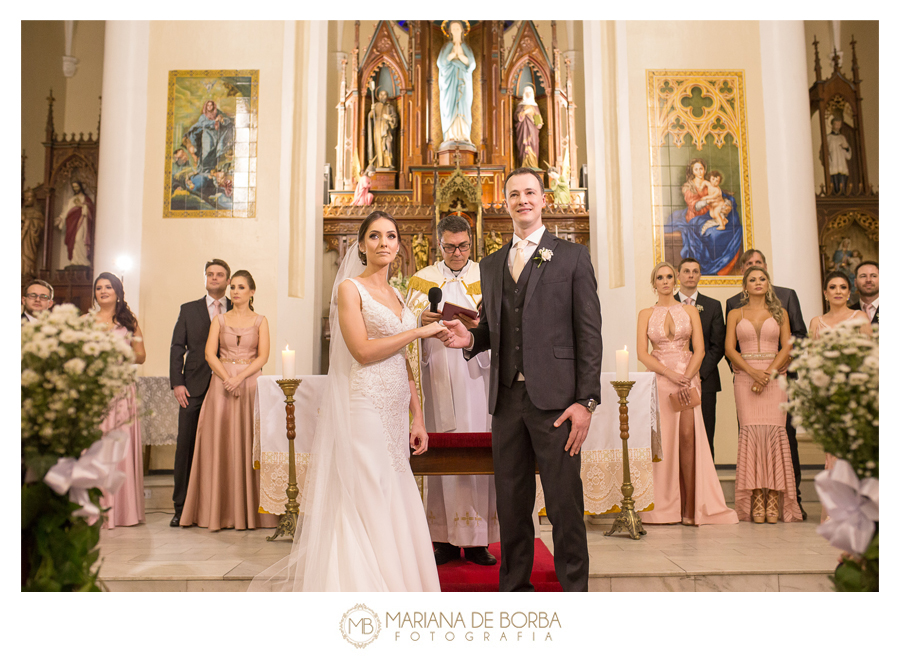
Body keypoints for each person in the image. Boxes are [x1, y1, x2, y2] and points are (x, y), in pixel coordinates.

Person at [250, 211, 444, 591]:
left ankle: (402, 584)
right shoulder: (350, 289)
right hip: (365, 402)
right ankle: (367, 588)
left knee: (394, 488)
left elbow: (405, 362)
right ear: (361, 244)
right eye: (375, 236)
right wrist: (418, 330)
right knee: (369, 490)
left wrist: (417, 417)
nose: (384, 243)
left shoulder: (398, 293)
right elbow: (362, 351)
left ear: (399, 244)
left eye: (391, 236)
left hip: (393, 408)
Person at [439, 168, 603, 592]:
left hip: (557, 402)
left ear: (543, 199)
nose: (522, 200)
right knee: (511, 505)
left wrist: (586, 401)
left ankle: (575, 592)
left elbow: (589, 334)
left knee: (564, 503)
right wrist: (469, 338)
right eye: (514, 194)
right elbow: (494, 327)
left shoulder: (572, 257)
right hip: (508, 401)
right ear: (505, 202)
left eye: (530, 192)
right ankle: (514, 591)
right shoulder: (492, 265)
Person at [405, 215, 499, 567]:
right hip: (438, 374)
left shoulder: (487, 274)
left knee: (477, 449)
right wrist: (421, 321)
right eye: (449, 247)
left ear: (471, 243)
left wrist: (480, 325)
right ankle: (441, 538)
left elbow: (503, 323)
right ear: (438, 244)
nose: (457, 253)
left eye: (463, 246)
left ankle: (477, 542)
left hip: (479, 374)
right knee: (443, 451)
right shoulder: (423, 279)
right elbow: (405, 323)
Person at [637, 262, 737, 526]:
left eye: (670, 276)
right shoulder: (645, 313)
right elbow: (642, 354)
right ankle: (663, 506)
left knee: (687, 439)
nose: (666, 280)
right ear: (654, 283)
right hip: (660, 381)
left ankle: (691, 509)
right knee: (663, 442)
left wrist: (688, 377)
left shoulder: (690, 311)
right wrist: (670, 375)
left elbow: (700, 350)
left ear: (675, 280)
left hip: (688, 379)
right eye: (660, 277)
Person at [180, 270, 276, 531]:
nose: (235, 291)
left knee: (249, 443)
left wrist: (240, 377)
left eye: (241, 287)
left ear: (252, 292)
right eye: (232, 287)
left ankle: (253, 512)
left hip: (250, 384)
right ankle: (218, 512)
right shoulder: (220, 320)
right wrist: (227, 378)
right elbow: (210, 354)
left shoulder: (261, 321)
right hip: (221, 386)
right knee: (219, 445)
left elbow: (263, 356)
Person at [725, 248, 808, 518]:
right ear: (745, 286)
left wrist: (769, 374)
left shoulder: (781, 311)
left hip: (775, 381)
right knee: (751, 438)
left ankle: (774, 500)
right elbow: (729, 349)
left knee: (775, 437)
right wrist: (752, 372)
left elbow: (787, 347)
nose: (758, 282)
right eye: (753, 279)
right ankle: (755, 500)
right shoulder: (735, 313)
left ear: (768, 283)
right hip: (745, 380)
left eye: (762, 278)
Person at [169, 259, 232, 527]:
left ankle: (224, 505)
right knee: (186, 445)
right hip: (193, 386)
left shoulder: (239, 306)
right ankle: (181, 507)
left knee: (226, 444)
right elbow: (176, 347)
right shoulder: (189, 309)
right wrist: (177, 383)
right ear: (205, 278)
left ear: (228, 280)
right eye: (210, 274)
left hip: (228, 385)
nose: (214, 278)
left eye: (220, 275)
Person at [90, 272, 147, 529]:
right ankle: (95, 510)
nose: (103, 291)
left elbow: (141, 355)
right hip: (95, 389)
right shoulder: (85, 321)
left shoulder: (129, 322)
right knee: (97, 447)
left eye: (108, 287)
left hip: (122, 390)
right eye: (99, 288)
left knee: (120, 448)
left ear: (117, 292)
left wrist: (118, 355)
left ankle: (123, 511)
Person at [675, 258, 725, 460]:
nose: (690, 275)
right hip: (674, 380)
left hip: (705, 380)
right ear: (678, 275)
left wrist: (698, 373)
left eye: (695, 271)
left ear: (700, 275)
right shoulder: (666, 305)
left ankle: (706, 488)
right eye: (686, 271)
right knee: (678, 435)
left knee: (705, 434)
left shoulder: (713, 306)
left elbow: (717, 345)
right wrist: (678, 376)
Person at [664, 158, 743, 276]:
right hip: (696, 217)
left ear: (704, 170)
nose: (699, 172)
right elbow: (695, 206)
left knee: (734, 227)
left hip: (712, 213)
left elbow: (721, 195)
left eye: (701, 169)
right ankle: (712, 266)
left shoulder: (709, 183)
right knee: (713, 234)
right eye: (696, 169)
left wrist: (727, 203)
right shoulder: (688, 187)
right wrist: (710, 200)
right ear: (692, 171)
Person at [437, 20, 476, 144]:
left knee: (463, 105)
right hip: (449, 81)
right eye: (453, 29)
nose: (455, 31)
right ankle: (450, 135)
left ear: (462, 31)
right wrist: (452, 55)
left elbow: (472, 64)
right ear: (449, 32)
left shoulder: (466, 47)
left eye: (457, 29)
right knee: (450, 105)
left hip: (464, 80)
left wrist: (458, 57)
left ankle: (464, 134)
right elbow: (441, 63)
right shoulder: (447, 47)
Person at [54, 180, 95, 268]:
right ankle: (75, 260)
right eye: (74, 187)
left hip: (82, 223)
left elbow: (91, 210)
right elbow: (66, 211)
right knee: (74, 241)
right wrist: (60, 218)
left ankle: (83, 260)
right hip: (72, 223)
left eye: (77, 186)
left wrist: (82, 206)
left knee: (79, 239)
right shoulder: (71, 200)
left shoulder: (86, 199)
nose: (75, 189)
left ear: (81, 187)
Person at [515, 85, 543, 169]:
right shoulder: (520, 106)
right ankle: (523, 165)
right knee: (523, 148)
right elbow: (516, 117)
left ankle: (533, 165)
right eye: (526, 93)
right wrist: (522, 114)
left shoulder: (535, 106)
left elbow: (538, 120)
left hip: (533, 132)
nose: (527, 95)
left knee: (533, 145)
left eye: (529, 93)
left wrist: (537, 122)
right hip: (523, 131)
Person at [698, 171, 731, 236]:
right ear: (710, 178)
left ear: (719, 182)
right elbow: (704, 182)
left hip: (719, 204)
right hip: (713, 205)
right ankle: (724, 220)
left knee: (716, 213)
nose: (714, 182)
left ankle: (722, 225)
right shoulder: (708, 184)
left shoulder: (717, 190)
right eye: (713, 179)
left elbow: (713, 196)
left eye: (717, 181)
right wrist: (701, 186)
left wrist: (705, 198)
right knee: (712, 214)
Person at [826, 117, 851, 193]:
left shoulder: (842, 137)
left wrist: (846, 148)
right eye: (836, 124)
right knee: (835, 185)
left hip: (841, 163)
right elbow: (824, 152)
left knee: (842, 187)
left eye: (839, 125)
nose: (837, 126)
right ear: (832, 125)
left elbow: (848, 154)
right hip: (833, 164)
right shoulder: (828, 138)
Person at [850, 261, 879, 325]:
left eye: (873, 276)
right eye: (863, 276)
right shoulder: (849, 313)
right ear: (855, 283)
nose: (868, 280)